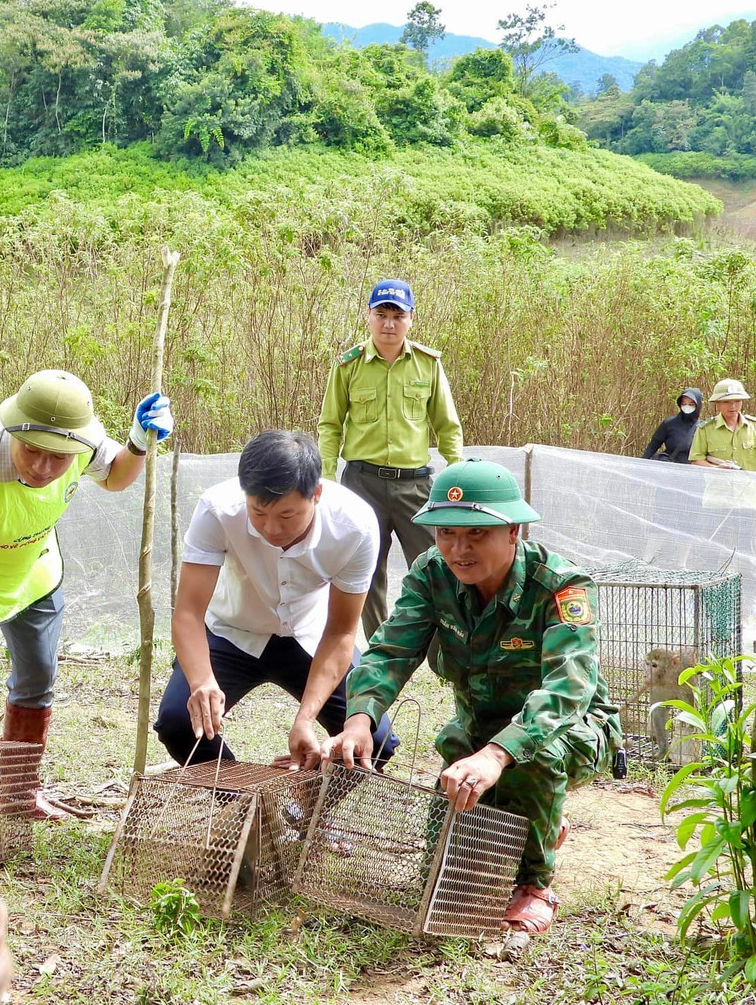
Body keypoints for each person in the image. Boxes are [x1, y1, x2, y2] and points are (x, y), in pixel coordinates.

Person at [324, 459, 622, 936]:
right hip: (476, 729)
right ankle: (530, 819)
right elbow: (389, 650)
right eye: (445, 532)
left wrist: (498, 755)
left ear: (514, 531)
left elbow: (568, 689)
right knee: (450, 878)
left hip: (570, 729)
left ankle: (534, 885)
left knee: (535, 759)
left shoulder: (561, 586)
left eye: (476, 534)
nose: (458, 549)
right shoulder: (432, 573)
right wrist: (360, 718)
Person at [0, 371, 172, 819]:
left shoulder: (80, 442)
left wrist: (139, 440)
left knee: (39, 673)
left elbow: (115, 477)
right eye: (32, 450)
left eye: (59, 458)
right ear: (13, 430)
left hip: (30, 562)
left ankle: (17, 793)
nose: (44, 468)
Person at [153, 430, 399, 769]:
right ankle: (246, 806)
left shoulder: (354, 526)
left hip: (310, 636)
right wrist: (202, 681)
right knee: (179, 723)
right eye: (258, 513)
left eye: (286, 516)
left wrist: (305, 718)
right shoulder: (217, 509)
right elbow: (188, 614)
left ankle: (306, 810)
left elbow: (341, 632)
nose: (271, 528)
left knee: (374, 739)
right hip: (231, 632)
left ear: (316, 494)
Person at [317, 279, 463, 645]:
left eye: (397, 316)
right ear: (368, 316)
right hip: (361, 484)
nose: (388, 324)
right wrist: (326, 478)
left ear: (411, 319)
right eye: (381, 315)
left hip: (415, 485)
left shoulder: (428, 365)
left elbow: (447, 424)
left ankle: (444, 645)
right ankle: (381, 648)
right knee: (364, 571)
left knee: (437, 566)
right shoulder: (349, 365)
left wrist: (457, 469)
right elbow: (330, 425)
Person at [689, 379, 756, 471]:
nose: (733, 406)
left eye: (737, 401)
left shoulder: (755, 426)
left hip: (749, 484)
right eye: (726, 402)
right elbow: (696, 460)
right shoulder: (705, 429)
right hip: (719, 484)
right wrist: (717, 468)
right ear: (717, 404)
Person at [642, 387, 702, 462]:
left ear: (698, 405)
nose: (687, 407)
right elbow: (651, 448)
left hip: (691, 470)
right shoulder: (669, 423)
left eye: (691, 404)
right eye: (684, 404)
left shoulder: (703, 428)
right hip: (668, 468)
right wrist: (640, 465)